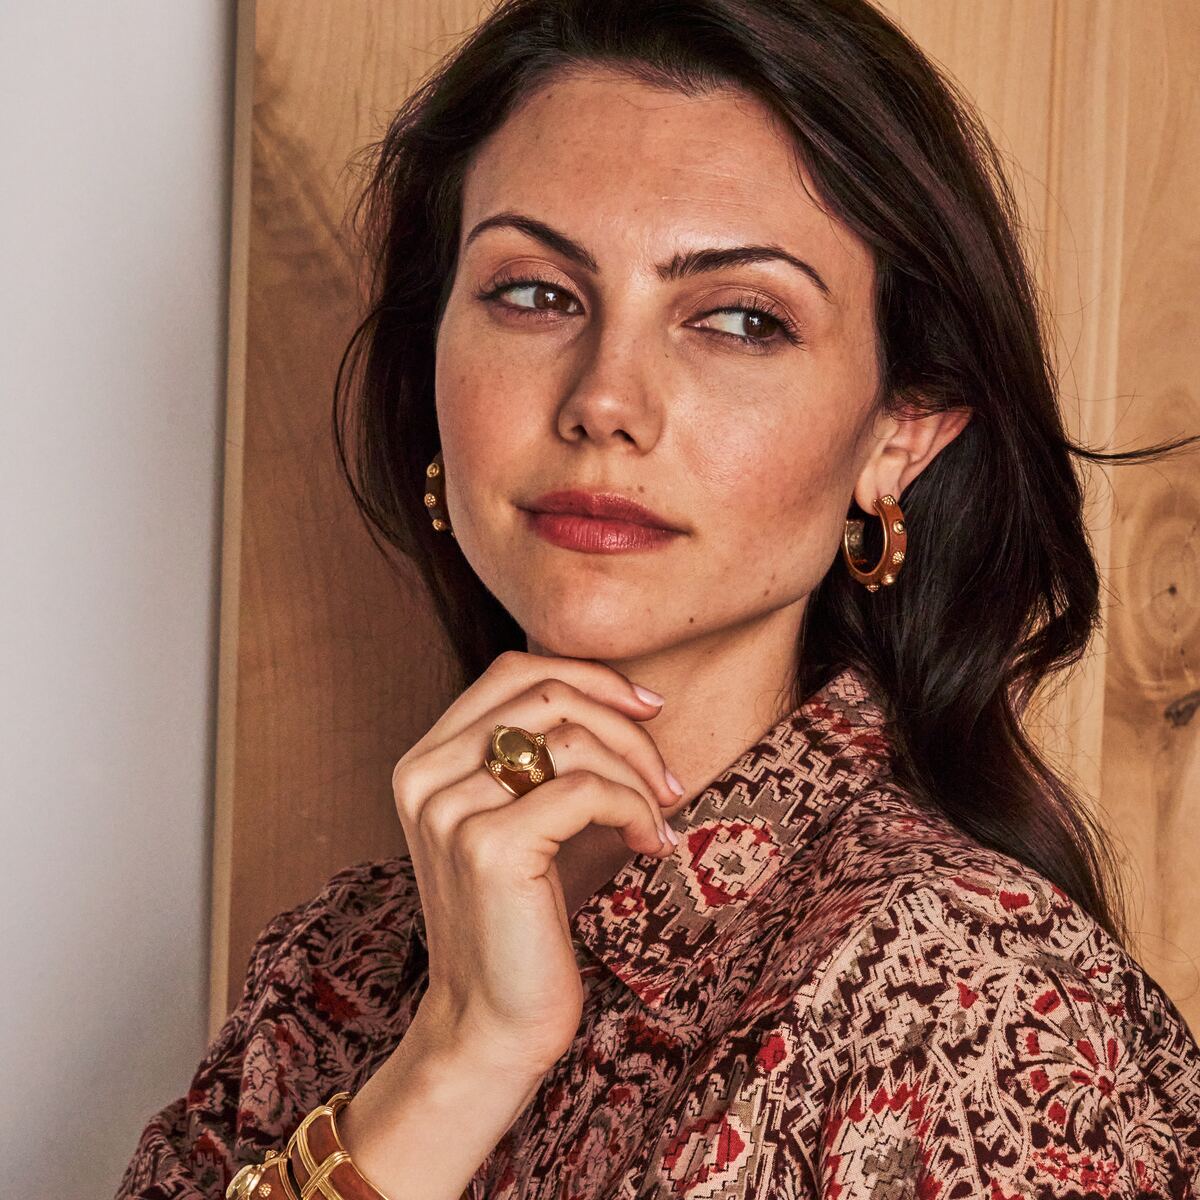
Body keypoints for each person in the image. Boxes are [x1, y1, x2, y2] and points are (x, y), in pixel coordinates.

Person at [116, 0, 1200, 1197]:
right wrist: (456, 1059)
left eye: (741, 319)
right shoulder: (338, 968)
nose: (606, 400)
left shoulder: (974, 999)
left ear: (898, 435)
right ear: (432, 367)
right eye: (534, 294)